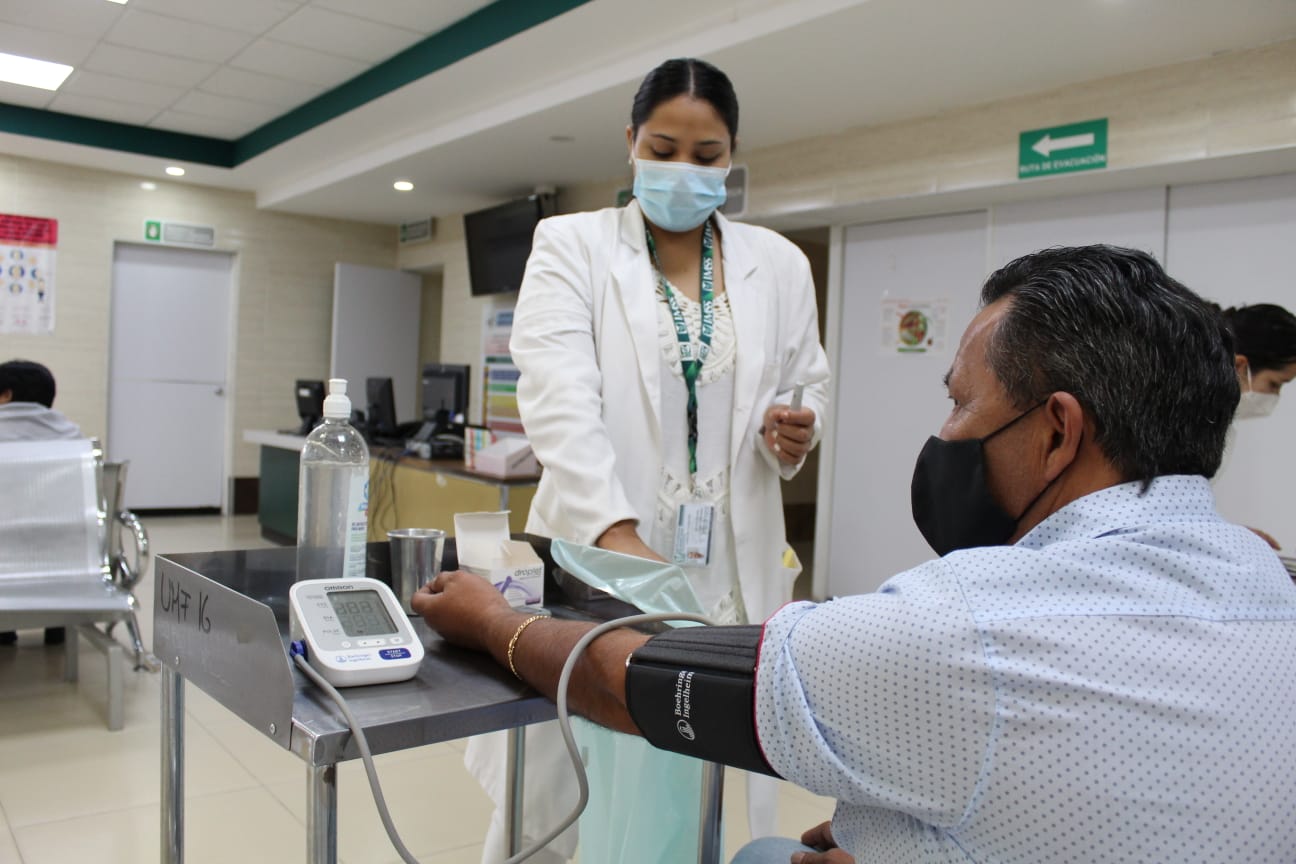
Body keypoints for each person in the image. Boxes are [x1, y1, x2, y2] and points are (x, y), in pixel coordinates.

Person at [415, 245, 1296, 864]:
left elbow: (629, 676)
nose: (945, 435)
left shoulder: (960, 629)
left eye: (960, 406)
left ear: (1059, 429)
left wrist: (497, 621)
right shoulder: (1274, 578)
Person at [460, 56, 831, 863]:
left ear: (730, 157)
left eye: (706, 157)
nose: (683, 171)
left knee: (690, 772)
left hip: (722, 574)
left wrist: (795, 431)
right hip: (608, 559)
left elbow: (809, 383)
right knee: (562, 789)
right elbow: (558, 396)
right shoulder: (572, 244)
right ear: (630, 142)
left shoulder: (780, 263)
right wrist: (616, 532)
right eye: (663, 148)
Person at [0, 359, 83, 647]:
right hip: (64, 560)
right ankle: (57, 622)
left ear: (6, 395)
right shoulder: (73, 436)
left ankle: (5, 628)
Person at [1217, 303, 1296, 549]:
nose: (1274, 396)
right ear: (1240, 366)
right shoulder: (1175, 423)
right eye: (1274, 384)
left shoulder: (1216, 427)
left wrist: (1224, 533)